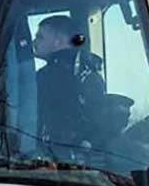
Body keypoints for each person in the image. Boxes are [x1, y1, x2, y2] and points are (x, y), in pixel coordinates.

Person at [33, 14, 115, 151]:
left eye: (40, 37)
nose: (34, 42)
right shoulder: (89, 73)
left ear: (58, 41)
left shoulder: (49, 77)